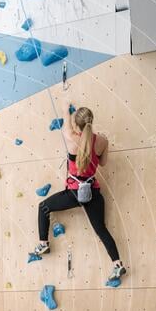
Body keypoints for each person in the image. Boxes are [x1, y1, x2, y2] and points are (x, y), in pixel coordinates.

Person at [31, 103, 126, 283]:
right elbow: (103, 163)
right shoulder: (103, 141)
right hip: (93, 192)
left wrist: (67, 107)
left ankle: (43, 244)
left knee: (43, 207)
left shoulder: (71, 138)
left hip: (74, 193)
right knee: (101, 230)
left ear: (77, 124)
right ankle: (117, 263)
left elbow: (66, 118)